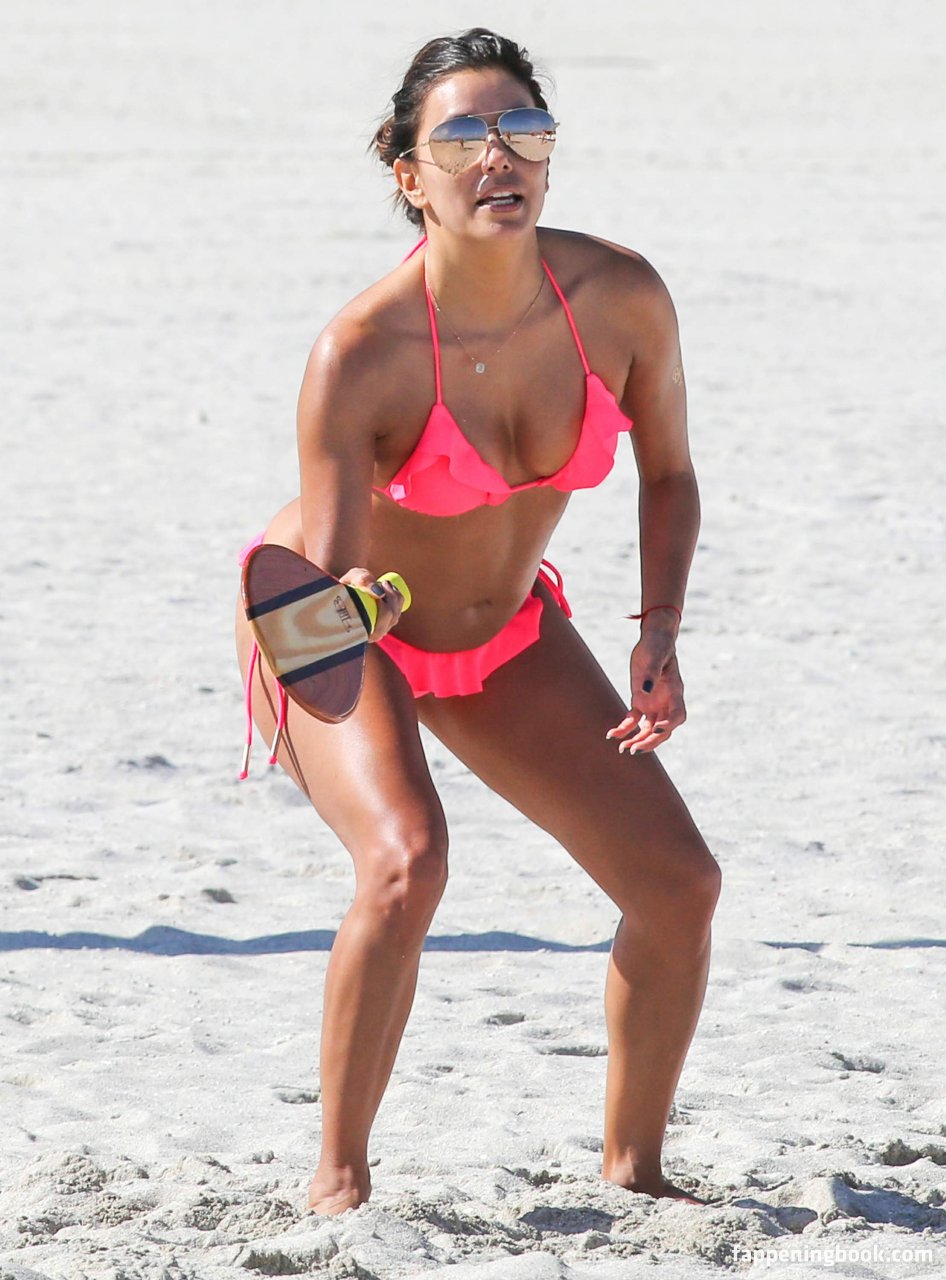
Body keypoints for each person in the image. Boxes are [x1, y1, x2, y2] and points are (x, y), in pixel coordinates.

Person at [235, 27, 721, 1216]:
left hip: (504, 631)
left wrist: (657, 629)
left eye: (522, 130)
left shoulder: (619, 298)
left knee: (678, 884)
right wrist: (349, 614)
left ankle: (635, 1174)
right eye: (460, 137)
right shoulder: (362, 351)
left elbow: (668, 473)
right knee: (408, 860)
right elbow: (329, 579)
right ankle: (338, 1183)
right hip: (333, 627)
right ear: (409, 175)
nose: (497, 156)